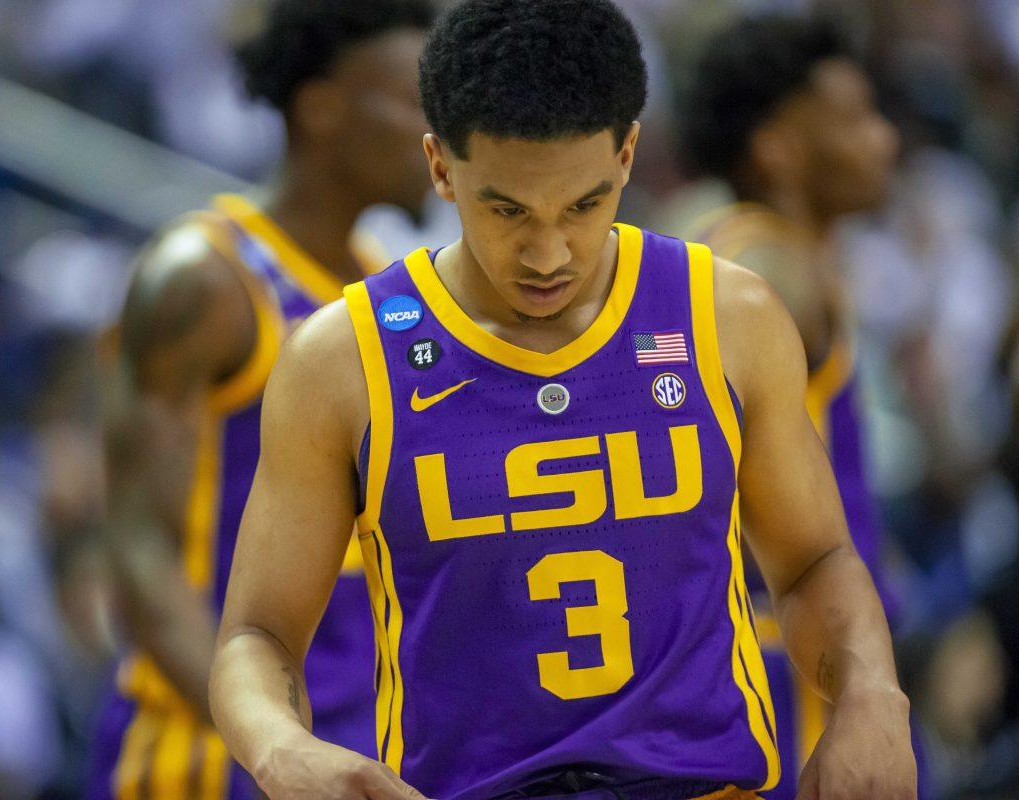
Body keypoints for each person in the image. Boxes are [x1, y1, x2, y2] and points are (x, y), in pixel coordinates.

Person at [209, 1, 917, 799]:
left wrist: (870, 696)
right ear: (441, 166)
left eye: (583, 205)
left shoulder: (727, 314)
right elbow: (256, 634)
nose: (548, 254)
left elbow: (815, 559)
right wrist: (279, 746)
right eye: (506, 209)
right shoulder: (342, 360)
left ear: (628, 154)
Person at [88, 1, 435, 798]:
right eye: (413, 106)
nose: (435, 139)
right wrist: (271, 741)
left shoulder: (385, 289)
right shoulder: (204, 278)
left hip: (342, 732)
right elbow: (142, 558)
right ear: (322, 109)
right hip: (205, 753)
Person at [671, 16, 907, 799]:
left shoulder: (746, 254)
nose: (884, 141)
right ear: (779, 148)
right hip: (792, 671)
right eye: (856, 119)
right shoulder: (769, 274)